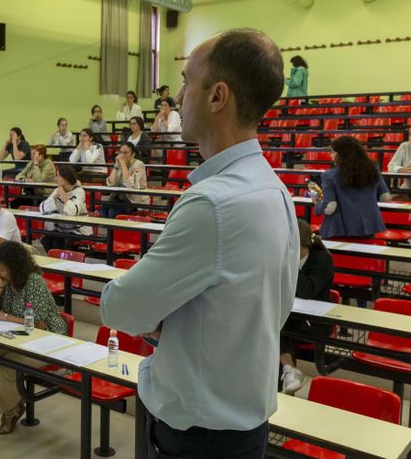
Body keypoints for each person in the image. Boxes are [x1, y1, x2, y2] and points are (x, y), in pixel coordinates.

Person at [101, 29, 296, 458]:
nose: (179, 95)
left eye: (188, 81)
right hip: (243, 427)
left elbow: (121, 307)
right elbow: (275, 308)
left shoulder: (213, 203)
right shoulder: (275, 190)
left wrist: (162, 319)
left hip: (199, 435)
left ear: (217, 96)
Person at [0, 241, 66, 434]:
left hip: (45, 339)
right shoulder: (5, 281)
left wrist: (5, 317)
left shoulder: (34, 282)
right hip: (16, 335)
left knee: (4, 368)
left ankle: (10, 411)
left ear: (15, 266)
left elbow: (38, 325)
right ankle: (8, 403)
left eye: (2, 269)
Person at [279, 219, 335, 395]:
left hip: (317, 320)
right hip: (290, 315)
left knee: (274, 327)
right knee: (267, 323)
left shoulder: (322, 259)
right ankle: (289, 370)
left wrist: (289, 264)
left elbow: (307, 291)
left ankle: (289, 370)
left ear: (303, 246)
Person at [313, 135, 390, 240]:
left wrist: (317, 205)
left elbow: (330, 207)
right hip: (367, 227)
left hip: (339, 229)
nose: (330, 155)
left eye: (333, 152)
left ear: (341, 154)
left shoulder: (329, 175)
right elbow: (385, 197)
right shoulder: (373, 170)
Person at [38, 166, 92, 252]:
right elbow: (42, 209)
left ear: (66, 178)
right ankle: (53, 262)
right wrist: (54, 197)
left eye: (58, 176)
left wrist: (64, 196)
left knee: (60, 241)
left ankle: (63, 262)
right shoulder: (57, 190)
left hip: (79, 231)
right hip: (63, 229)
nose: (56, 179)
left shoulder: (79, 191)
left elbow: (73, 212)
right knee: (46, 239)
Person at [100, 142, 148, 219]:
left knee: (112, 212)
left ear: (133, 155)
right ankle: (111, 230)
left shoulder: (139, 165)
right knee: (102, 211)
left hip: (134, 200)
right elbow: (110, 183)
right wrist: (116, 166)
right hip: (118, 198)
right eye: (120, 152)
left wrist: (122, 164)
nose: (122, 155)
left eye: (125, 153)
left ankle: (114, 231)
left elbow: (129, 184)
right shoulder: (118, 164)